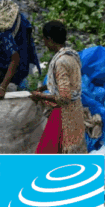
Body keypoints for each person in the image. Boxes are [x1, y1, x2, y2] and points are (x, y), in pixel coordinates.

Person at [31, 21, 87, 154]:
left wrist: (40, 96)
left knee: (47, 153)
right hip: (76, 109)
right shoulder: (72, 55)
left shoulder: (61, 62)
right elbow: (67, 81)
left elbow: (64, 97)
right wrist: (44, 87)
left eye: (44, 40)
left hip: (63, 114)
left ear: (50, 39)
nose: (44, 43)